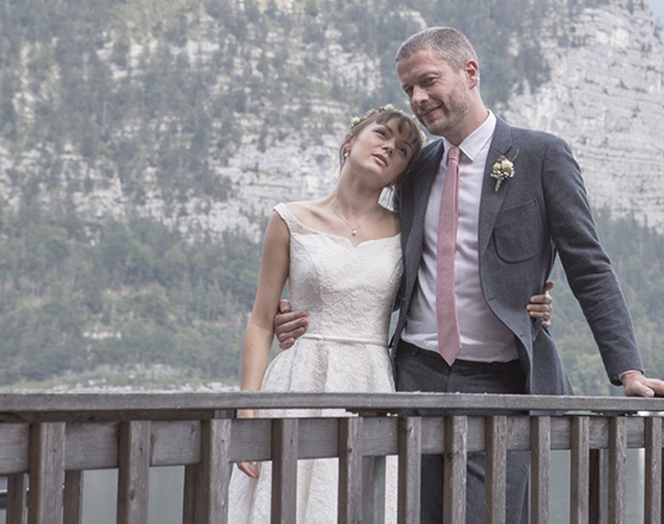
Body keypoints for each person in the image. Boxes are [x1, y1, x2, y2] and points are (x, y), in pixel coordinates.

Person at [276, 27, 664, 524]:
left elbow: (590, 265)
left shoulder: (541, 156)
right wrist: (309, 309)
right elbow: (381, 261)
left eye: (428, 81)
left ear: (470, 73)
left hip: (504, 388)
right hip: (411, 382)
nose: (418, 98)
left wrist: (629, 371)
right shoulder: (415, 169)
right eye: (408, 88)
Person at [229, 105, 554, 524]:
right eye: (382, 134)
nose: (389, 148)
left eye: (402, 149)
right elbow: (260, 320)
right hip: (299, 376)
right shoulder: (290, 219)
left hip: (373, 384)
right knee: (280, 504)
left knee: (356, 506)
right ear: (350, 141)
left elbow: (456, 280)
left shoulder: (409, 229)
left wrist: (529, 301)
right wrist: (247, 410)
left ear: (402, 173)